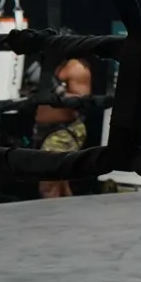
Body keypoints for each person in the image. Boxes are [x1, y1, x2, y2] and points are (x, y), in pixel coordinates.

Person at [32, 57, 92, 199]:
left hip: (63, 132)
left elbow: (82, 102)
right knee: (60, 184)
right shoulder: (48, 67)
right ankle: (69, 220)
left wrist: (57, 90)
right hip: (44, 130)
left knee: (47, 186)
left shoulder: (76, 67)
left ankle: (52, 221)